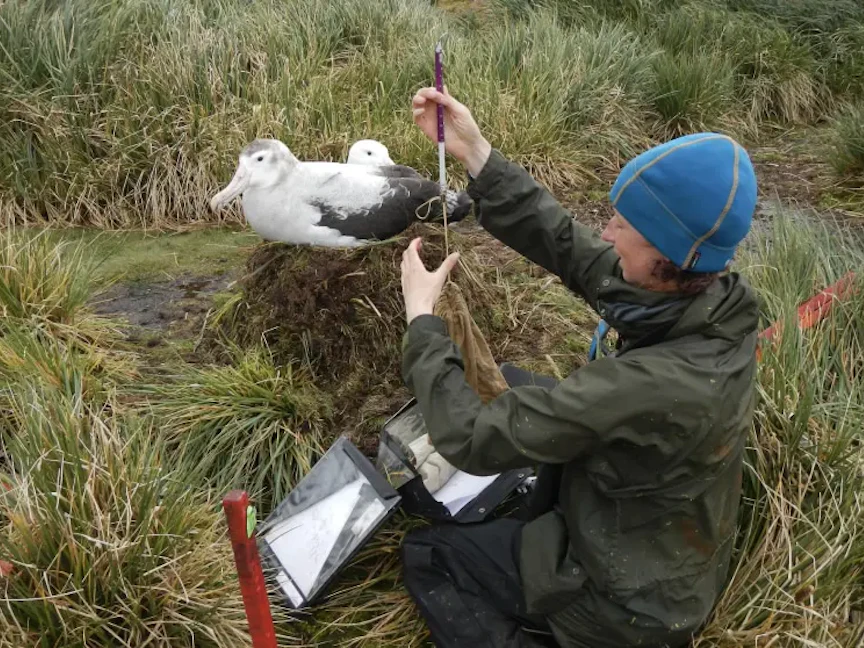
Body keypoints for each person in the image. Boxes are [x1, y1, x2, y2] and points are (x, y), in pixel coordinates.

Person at [397, 86, 760, 648]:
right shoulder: (711, 299)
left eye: (623, 227)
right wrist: (477, 153)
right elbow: (571, 247)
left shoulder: (653, 384)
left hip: (629, 602)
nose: (607, 234)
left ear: (668, 255)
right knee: (515, 383)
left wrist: (422, 321)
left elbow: (472, 439)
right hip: (657, 534)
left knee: (430, 554)